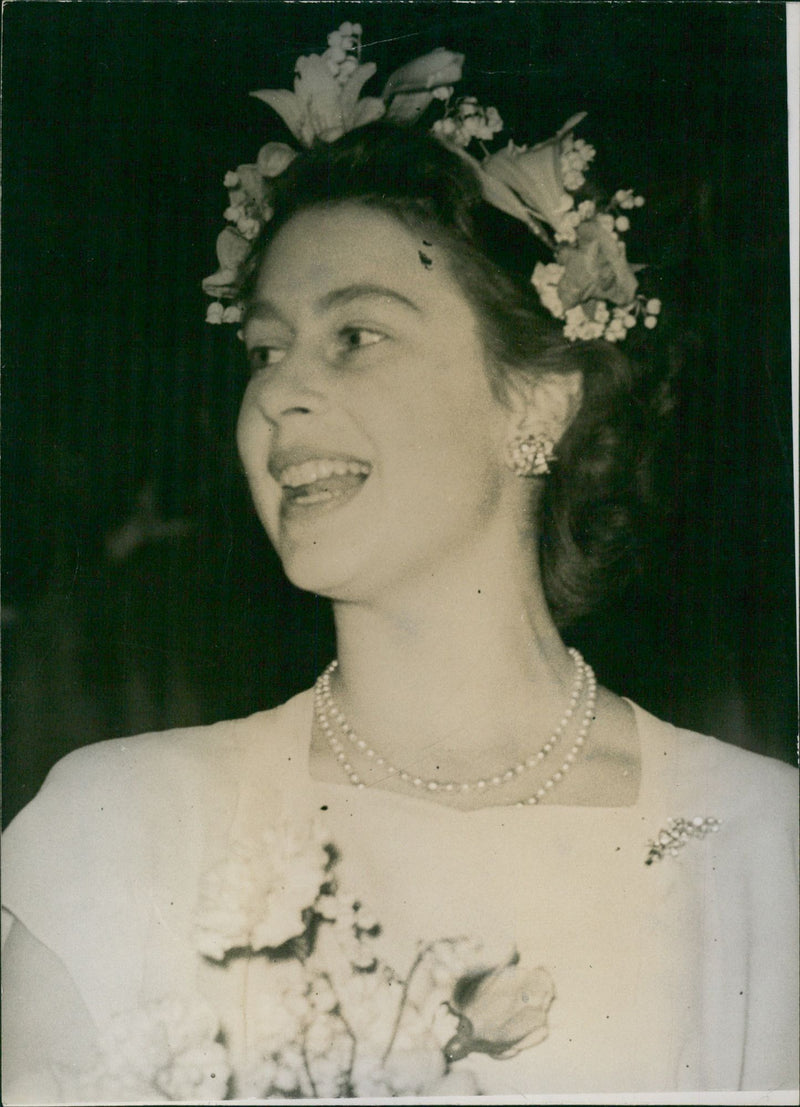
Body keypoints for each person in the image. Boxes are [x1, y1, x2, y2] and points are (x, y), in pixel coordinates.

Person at [2, 26, 797, 1103]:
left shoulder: (757, 852)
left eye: (355, 336)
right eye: (264, 350)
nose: (278, 392)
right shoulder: (118, 831)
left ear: (537, 399)